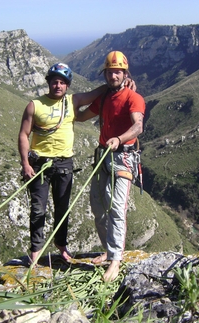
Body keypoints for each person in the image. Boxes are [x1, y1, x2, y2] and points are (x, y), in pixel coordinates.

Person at [18, 62, 135, 266]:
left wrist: (122, 82)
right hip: (39, 165)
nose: (58, 86)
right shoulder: (34, 105)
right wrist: (25, 163)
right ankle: (36, 251)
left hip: (64, 164)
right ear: (48, 83)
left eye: (62, 83)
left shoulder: (73, 101)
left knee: (63, 208)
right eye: (55, 81)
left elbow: (97, 92)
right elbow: (23, 134)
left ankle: (61, 247)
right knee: (38, 209)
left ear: (67, 86)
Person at [76, 51, 145, 282]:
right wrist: (70, 106)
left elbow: (138, 127)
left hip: (123, 157)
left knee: (116, 207)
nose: (113, 75)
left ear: (125, 73)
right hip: (103, 157)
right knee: (97, 206)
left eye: (117, 71)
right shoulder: (104, 98)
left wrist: (119, 139)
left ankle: (115, 259)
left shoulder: (133, 98)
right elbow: (82, 116)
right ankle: (109, 250)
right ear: (105, 74)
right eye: (109, 71)